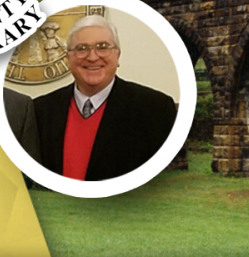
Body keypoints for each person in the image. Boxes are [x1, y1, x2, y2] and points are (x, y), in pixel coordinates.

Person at [33, 14, 177, 180]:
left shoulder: (155, 109)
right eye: (81, 49)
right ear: (68, 59)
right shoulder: (40, 111)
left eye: (102, 47)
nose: (93, 57)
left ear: (118, 56)